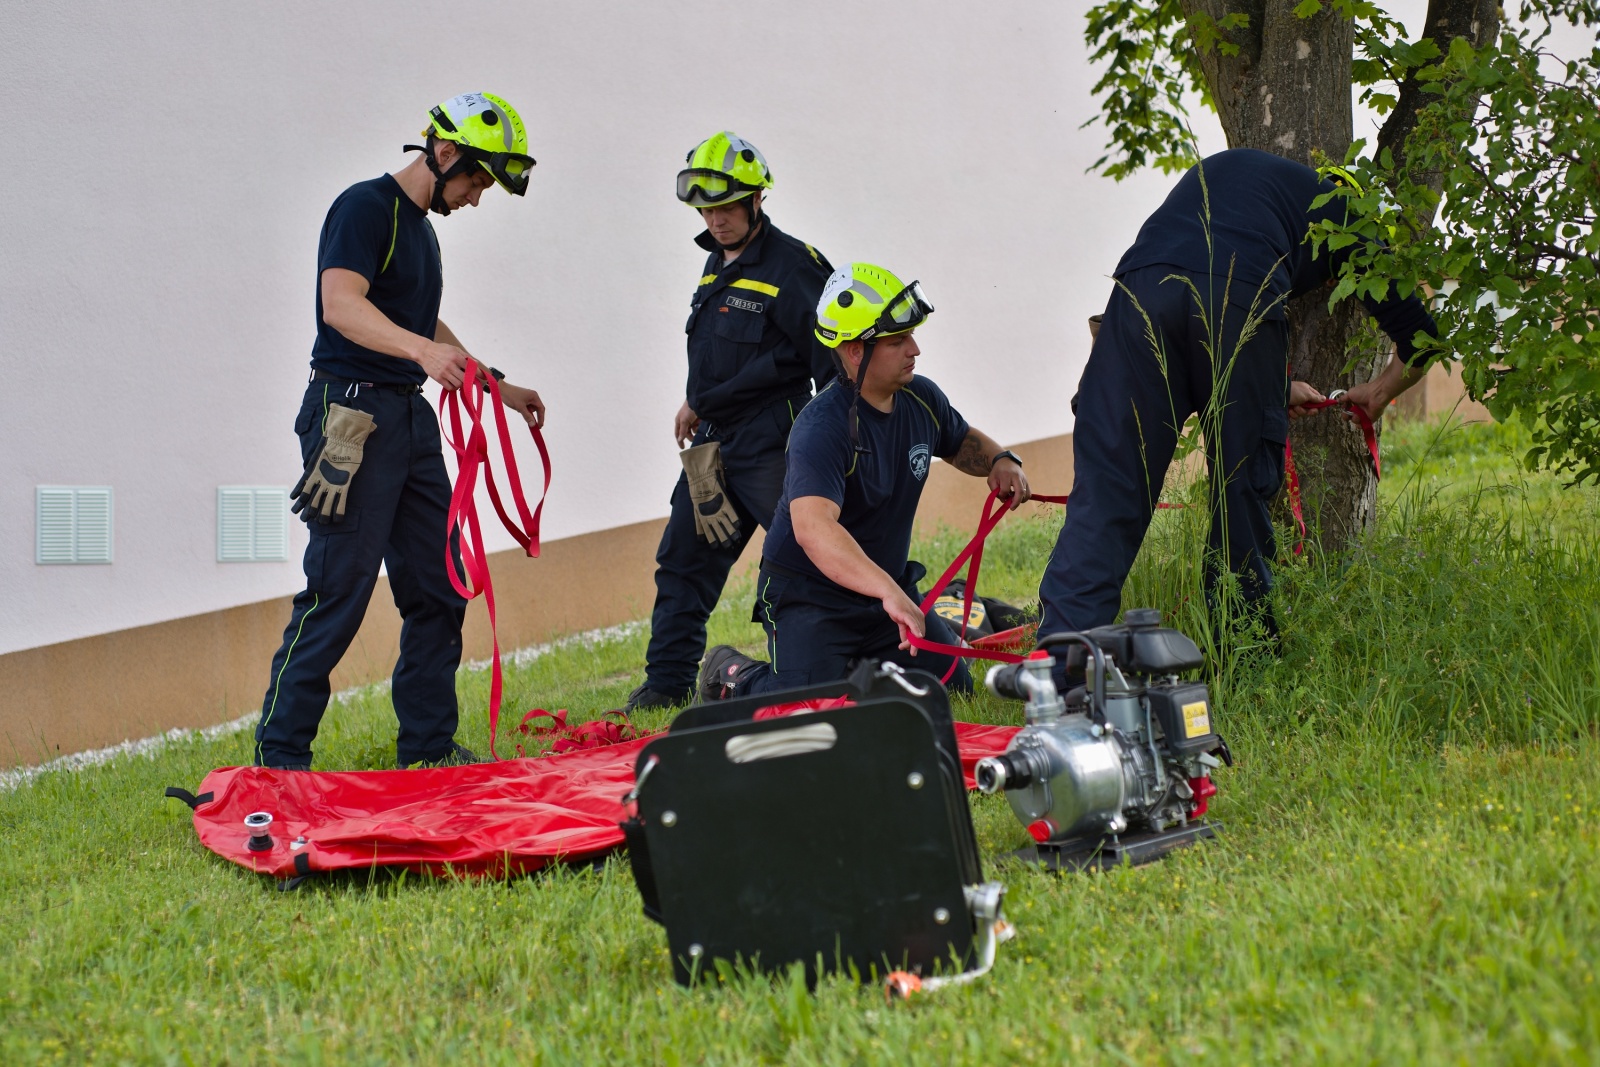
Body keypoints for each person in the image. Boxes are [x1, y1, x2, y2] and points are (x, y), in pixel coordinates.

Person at [1038, 148, 1441, 643]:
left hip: (1138, 290)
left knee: (1109, 487)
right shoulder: (1352, 214)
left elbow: (1186, 313)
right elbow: (1423, 340)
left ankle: (1062, 658)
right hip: (1239, 289)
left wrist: (1271, 388)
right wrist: (1379, 392)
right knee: (1240, 487)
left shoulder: (1242, 175)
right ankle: (1243, 653)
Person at [253, 93, 545, 771]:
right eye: (476, 180)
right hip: (351, 417)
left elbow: (423, 327)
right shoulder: (364, 208)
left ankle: (428, 746)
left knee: (441, 584)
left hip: (408, 419)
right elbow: (341, 306)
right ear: (445, 154)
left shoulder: (421, 231)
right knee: (340, 589)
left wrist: (495, 386)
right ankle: (279, 756)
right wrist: (420, 354)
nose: (476, 197)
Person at [697, 263, 1030, 699]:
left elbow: (958, 439)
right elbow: (814, 529)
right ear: (855, 351)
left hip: (886, 590)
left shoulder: (920, 396)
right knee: (813, 710)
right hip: (811, 601)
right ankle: (733, 674)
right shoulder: (821, 428)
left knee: (953, 692)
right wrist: (888, 593)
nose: (915, 349)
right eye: (898, 341)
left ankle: (861, 661)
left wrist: (1000, 460)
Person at [625, 132, 835, 711]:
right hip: (715, 446)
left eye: (725, 206)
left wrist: (835, 450)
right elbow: (727, 351)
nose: (715, 219)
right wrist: (698, 403)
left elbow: (829, 368)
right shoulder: (715, 263)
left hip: (777, 443)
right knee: (682, 566)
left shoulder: (796, 267)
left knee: (812, 556)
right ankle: (665, 686)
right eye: (706, 208)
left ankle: (848, 663)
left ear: (756, 200)